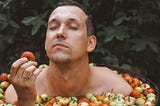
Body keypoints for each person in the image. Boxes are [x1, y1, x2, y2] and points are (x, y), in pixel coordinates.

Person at [5, 0, 133, 105]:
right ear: (45, 42)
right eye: (53, 27)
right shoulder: (17, 93)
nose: (60, 33)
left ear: (90, 43)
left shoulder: (118, 89)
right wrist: (25, 102)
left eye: (73, 27)